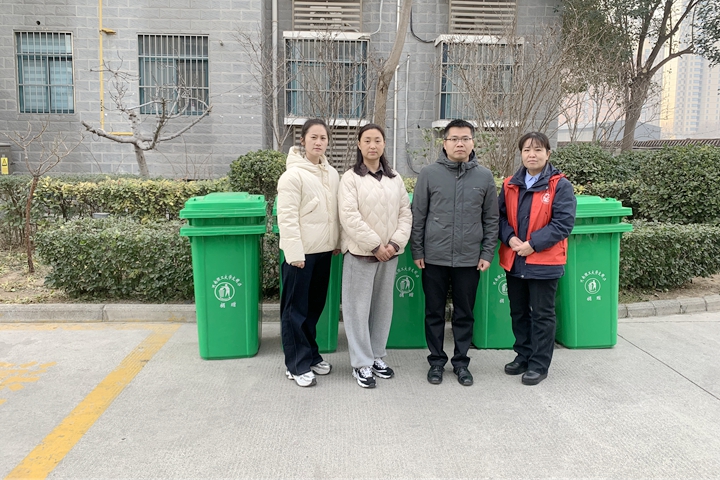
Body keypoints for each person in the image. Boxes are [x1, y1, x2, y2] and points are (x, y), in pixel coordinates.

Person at [411, 119, 499, 386]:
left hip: (469, 258)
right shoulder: (429, 174)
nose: (460, 143)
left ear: (473, 142)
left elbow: (491, 219)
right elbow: (418, 215)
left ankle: (461, 363)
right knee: (434, 312)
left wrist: (487, 253)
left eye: (465, 138)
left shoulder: (484, 177)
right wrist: (417, 250)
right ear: (445, 143)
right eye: (454, 139)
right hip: (434, 257)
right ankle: (436, 361)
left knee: (464, 313)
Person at [498, 132, 576, 386]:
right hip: (515, 259)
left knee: (542, 314)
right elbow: (499, 218)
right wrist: (510, 238)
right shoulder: (510, 184)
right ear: (521, 154)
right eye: (527, 150)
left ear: (548, 153)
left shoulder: (560, 185)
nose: (532, 155)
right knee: (518, 312)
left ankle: (539, 364)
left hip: (544, 262)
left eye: (538, 149)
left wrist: (533, 244)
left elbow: (563, 223)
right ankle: (523, 355)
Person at [338, 124, 412, 388]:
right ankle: (361, 363)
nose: (372, 145)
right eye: (367, 140)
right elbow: (349, 216)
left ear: (384, 144)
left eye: (377, 140)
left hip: (389, 255)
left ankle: (377, 355)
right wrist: (375, 246)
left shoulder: (395, 178)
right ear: (359, 144)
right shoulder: (350, 178)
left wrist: (394, 244)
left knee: (382, 308)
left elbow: (405, 213)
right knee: (357, 310)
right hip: (361, 254)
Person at [276, 118, 340, 387]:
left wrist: (337, 240)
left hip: (324, 252)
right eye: (313, 137)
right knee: (295, 312)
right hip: (300, 256)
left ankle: (311, 355)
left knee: (313, 309)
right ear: (302, 140)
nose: (318, 142)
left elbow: (335, 212)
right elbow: (287, 217)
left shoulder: (332, 174)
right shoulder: (292, 175)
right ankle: (296, 364)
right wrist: (294, 254)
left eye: (323, 138)